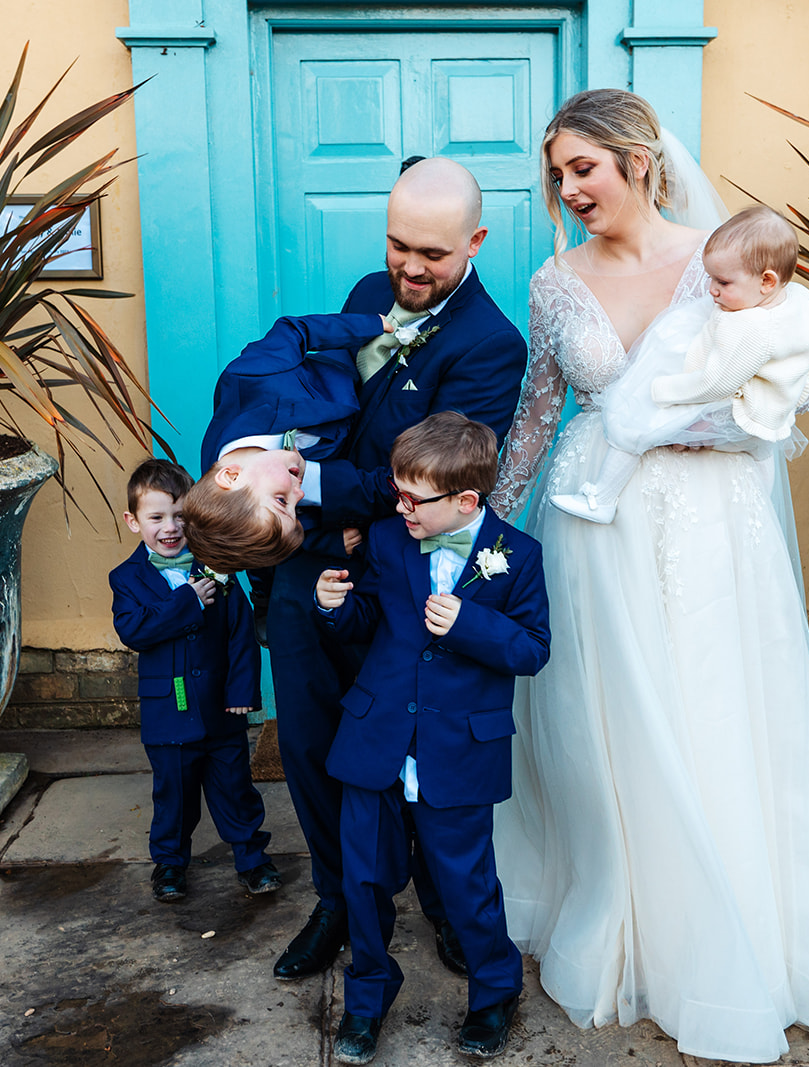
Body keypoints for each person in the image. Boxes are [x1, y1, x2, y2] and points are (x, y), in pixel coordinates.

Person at [491, 89, 809, 1064]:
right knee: (614, 725)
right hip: (595, 526)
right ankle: (633, 912)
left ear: (638, 159)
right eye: (557, 174)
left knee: (720, 712)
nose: (568, 189)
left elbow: (785, 397)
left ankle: (742, 930)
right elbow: (534, 411)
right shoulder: (556, 281)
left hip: (716, 521)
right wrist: (495, 528)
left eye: (583, 168)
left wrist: (697, 423)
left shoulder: (719, 259)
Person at [265, 157, 530, 985]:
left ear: (475, 242)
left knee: (415, 748)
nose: (410, 268)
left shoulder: (492, 347)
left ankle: (447, 906)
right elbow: (321, 408)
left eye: (433, 255)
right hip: (307, 560)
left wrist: (316, 488)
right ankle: (337, 899)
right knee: (309, 742)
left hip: (403, 581)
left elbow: (445, 481)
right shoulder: (360, 295)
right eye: (397, 245)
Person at [314, 412, 551, 1064]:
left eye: (415, 497)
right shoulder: (389, 541)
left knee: (464, 886)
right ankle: (366, 998)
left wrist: (470, 623)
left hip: (459, 750)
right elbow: (370, 615)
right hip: (376, 736)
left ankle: (494, 990)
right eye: (397, 490)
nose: (400, 505)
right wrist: (335, 607)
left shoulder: (519, 556)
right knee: (362, 879)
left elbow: (533, 648)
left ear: (466, 501)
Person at [550, 205, 809, 523]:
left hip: (740, 412)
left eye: (723, 283)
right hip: (767, 420)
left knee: (636, 422)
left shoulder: (747, 326)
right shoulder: (800, 298)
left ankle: (602, 497)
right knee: (761, 452)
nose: (711, 289)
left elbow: (717, 382)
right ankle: (759, 513)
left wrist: (662, 389)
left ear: (767, 281)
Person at [109, 459, 280, 903]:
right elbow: (135, 631)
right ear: (134, 522)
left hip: (221, 709)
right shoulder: (128, 579)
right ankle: (169, 863)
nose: (170, 528)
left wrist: (243, 691)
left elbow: (240, 634)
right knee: (174, 798)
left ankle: (251, 857)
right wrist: (187, 600)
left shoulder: (218, 568)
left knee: (235, 789)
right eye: (157, 517)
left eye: (180, 516)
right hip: (169, 715)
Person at [180, 310, 392, 575]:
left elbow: (295, 330)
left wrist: (368, 323)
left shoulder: (249, 379)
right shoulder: (257, 494)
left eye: (282, 501)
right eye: (294, 508)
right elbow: (290, 528)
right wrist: (327, 540)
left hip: (347, 370)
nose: (299, 496)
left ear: (232, 476)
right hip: (365, 440)